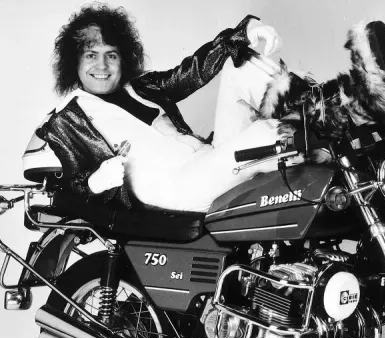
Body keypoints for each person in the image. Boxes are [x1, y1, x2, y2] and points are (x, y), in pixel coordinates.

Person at [23, 4, 286, 212]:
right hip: (181, 188)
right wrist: (94, 182)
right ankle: (307, 131)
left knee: (236, 63)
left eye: (111, 55)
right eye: (91, 55)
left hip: (209, 159)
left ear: (123, 59)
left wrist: (244, 33)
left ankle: (308, 105)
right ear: (74, 62)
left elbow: (192, 71)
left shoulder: (140, 87)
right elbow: (63, 188)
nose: (102, 66)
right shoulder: (67, 118)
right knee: (266, 133)